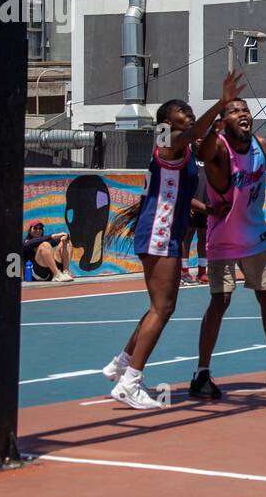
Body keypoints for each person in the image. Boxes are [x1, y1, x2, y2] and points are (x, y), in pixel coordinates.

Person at [101, 71, 245, 409]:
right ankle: (130, 382)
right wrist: (222, 104)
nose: (189, 112)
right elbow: (195, 133)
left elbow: (176, 193)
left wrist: (205, 209)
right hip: (160, 233)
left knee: (157, 306)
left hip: (160, 230)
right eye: (183, 109)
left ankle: (122, 363)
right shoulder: (166, 138)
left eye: (190, 109)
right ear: (167, 119)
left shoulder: (178, 150)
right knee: (164, 308)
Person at [190, 98, 266, 399]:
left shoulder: (263, 146)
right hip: (223, 238)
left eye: (245, 110)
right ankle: (201, 373)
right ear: (223, 121)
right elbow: (199, 149)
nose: (243, 114)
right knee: (220, 301)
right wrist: (219, 105)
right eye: (235, 111)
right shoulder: (218, 148)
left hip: (255, 236)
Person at [181, 158, 210, 286]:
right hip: (191, 205)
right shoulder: (188, 158)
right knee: (187, 237)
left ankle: (202, 272)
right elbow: (182, 182)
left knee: (203, 238)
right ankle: (184, 272)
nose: (200, 140)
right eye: (198, 138)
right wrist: (186, 203)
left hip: (206, 205)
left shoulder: (209, 156)